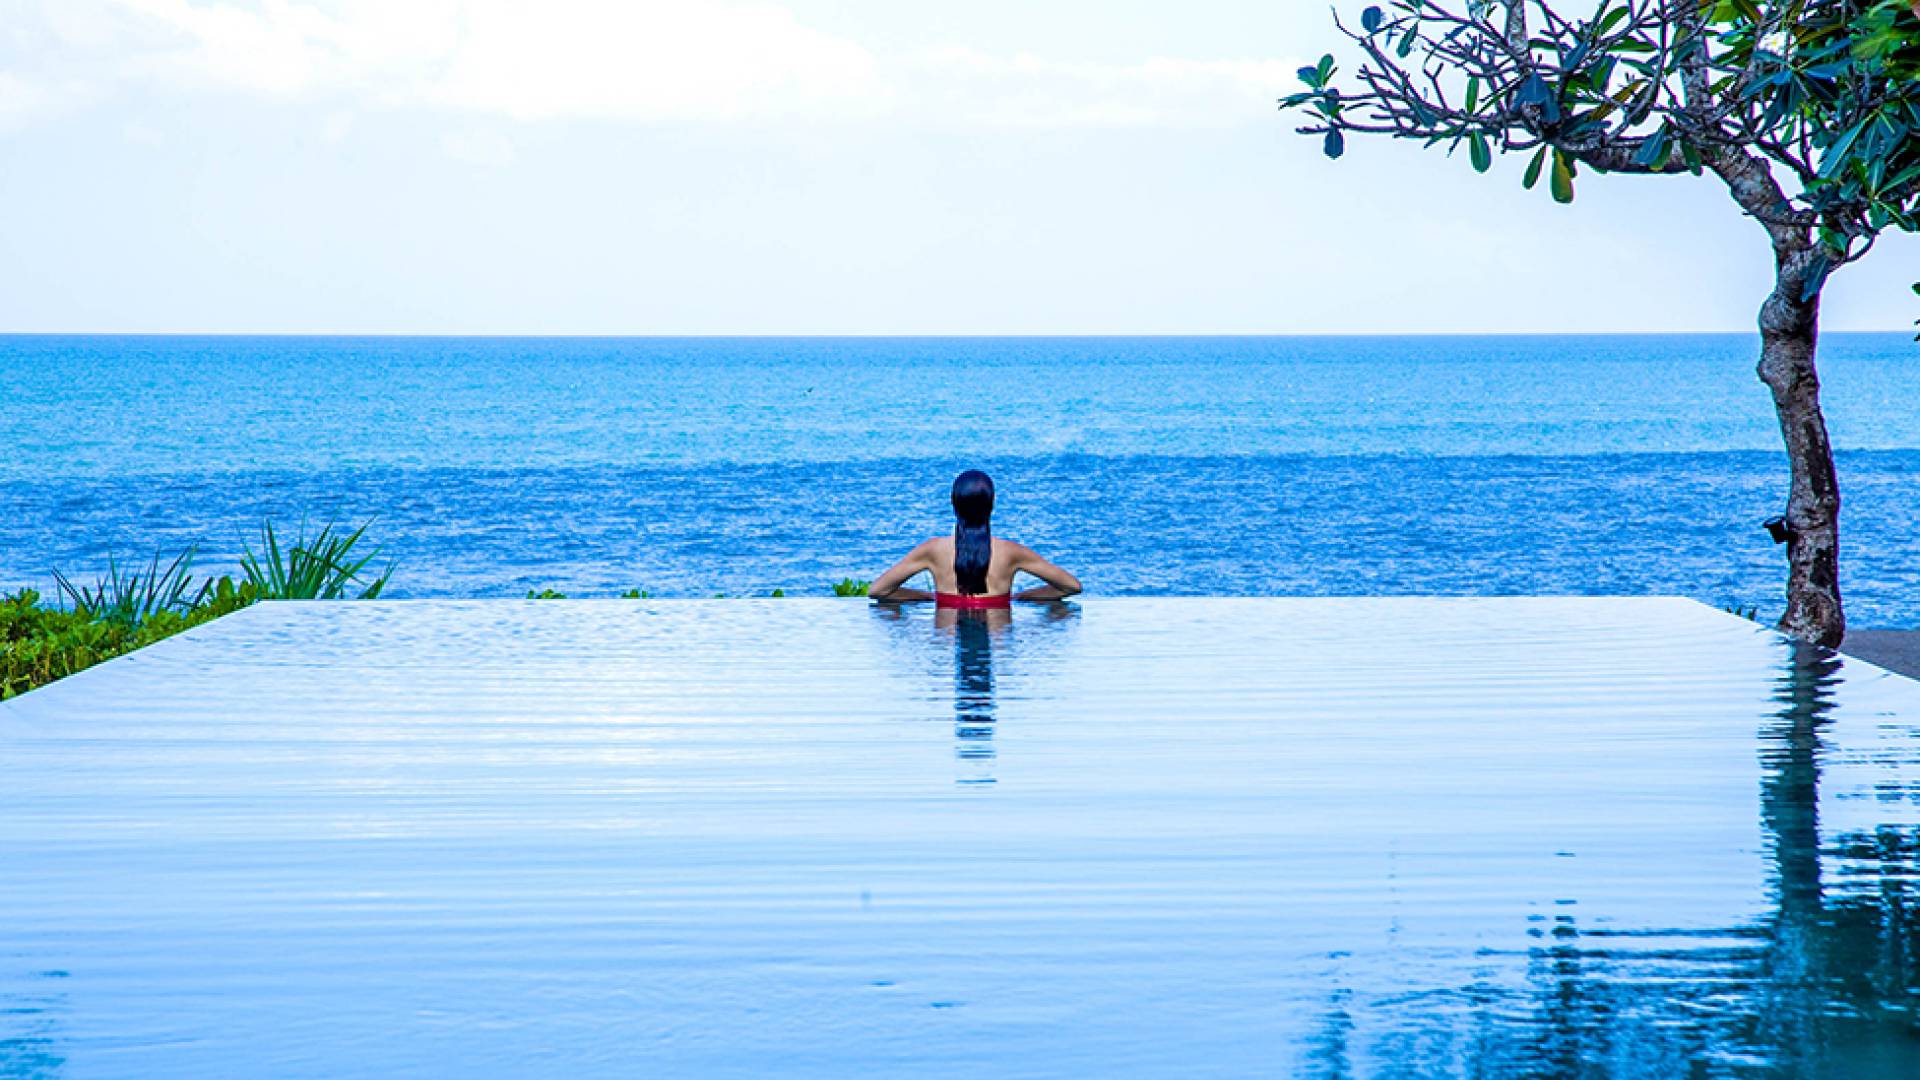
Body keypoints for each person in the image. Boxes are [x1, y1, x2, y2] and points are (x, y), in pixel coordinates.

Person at [868, 470, 1082, 608]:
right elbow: (1070, 586)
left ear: (953, 504)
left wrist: (928, 597)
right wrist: (1021, 597)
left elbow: (879, 590)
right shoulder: (1012, 552)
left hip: (946, 638)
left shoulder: (933, 550)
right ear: (992, 505)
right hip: (999, 639)